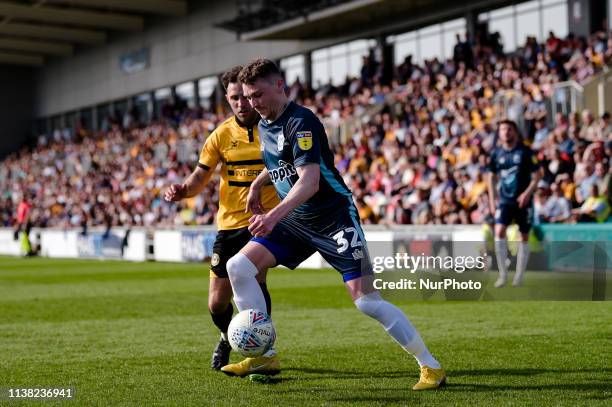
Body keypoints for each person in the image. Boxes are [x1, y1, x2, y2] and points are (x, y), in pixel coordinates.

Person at [221, 59, 445, 391]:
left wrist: (271, 216)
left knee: (366, 301)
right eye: (248, 97)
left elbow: (309, 181)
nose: (253, 103)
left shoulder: (302, 121)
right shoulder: (266, 123)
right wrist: (258, 184)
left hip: (332, 218)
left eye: (258, 94)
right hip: (297, 219)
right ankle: (265, 354)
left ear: (280, 86)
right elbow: (281, 162)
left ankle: (431, 366)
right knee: (238, 266)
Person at [164, 66, 279, 370]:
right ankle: (227, 337)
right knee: (217, 302)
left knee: (256, 280)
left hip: (262, 222)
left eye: (244, 96)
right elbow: (199, 178)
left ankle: (263, 349)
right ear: (227, 99)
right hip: (229, 225)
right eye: (234, 98)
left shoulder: (275, 127)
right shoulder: (221, 135)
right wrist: (182, 190)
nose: (241, 103)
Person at [486, 120, 543, 288]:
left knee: (523, 236)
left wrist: (527, 193)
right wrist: (492, 199)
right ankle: (503, 275)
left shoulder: (525, 152)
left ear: (515, 132)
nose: (506, 132)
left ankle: (519, 276)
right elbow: (491, 177)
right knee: (499, 230)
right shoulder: (496, 154)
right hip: (505, 200)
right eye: (502, 129)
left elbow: (538, 174)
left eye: (509, 129)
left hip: (523, 200)